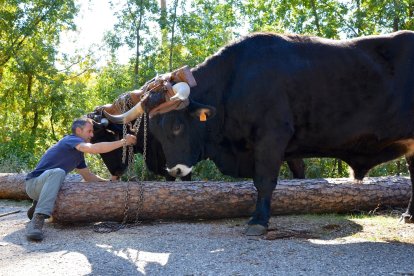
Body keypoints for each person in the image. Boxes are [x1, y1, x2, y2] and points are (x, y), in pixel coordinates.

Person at [24, 117, 136, 241]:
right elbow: (91, 149)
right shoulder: (70, 140)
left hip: (43, 186)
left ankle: (37, 205)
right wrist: (123, 142)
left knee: (74, 181)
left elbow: (88, 176)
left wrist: (108, 183)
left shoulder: (78, 155)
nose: (92, 135)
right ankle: (37, 220)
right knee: (59, 172)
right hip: (33, 185)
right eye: (89, 131)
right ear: (78, 130)